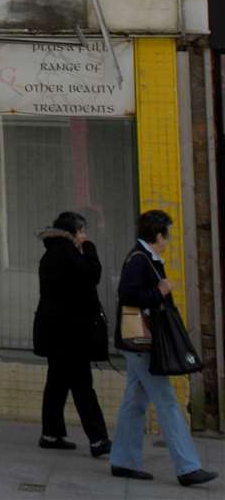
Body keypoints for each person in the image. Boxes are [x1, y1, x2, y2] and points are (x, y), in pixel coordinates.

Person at [110, 209, 218, 488]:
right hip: (143, 344)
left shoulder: (147, 258)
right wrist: (160, 291)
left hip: (140, 343)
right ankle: (188, 467)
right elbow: (127, 295)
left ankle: (123, 460)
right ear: (158, 235)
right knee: (167, 402)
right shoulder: (140, 260)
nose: (169, 240)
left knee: (134, 403)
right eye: (167, 234)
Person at [32, 210, 111, 455]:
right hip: (71, 334)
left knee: (56, 383)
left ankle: (51, 434)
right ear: (73, 233)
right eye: (82, 232)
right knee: (82, 385)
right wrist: (90, 248)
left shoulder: (50, 255)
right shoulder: (67, 253)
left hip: (55, 332)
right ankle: (98, 439)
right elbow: (92, 274)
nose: (84, 236)